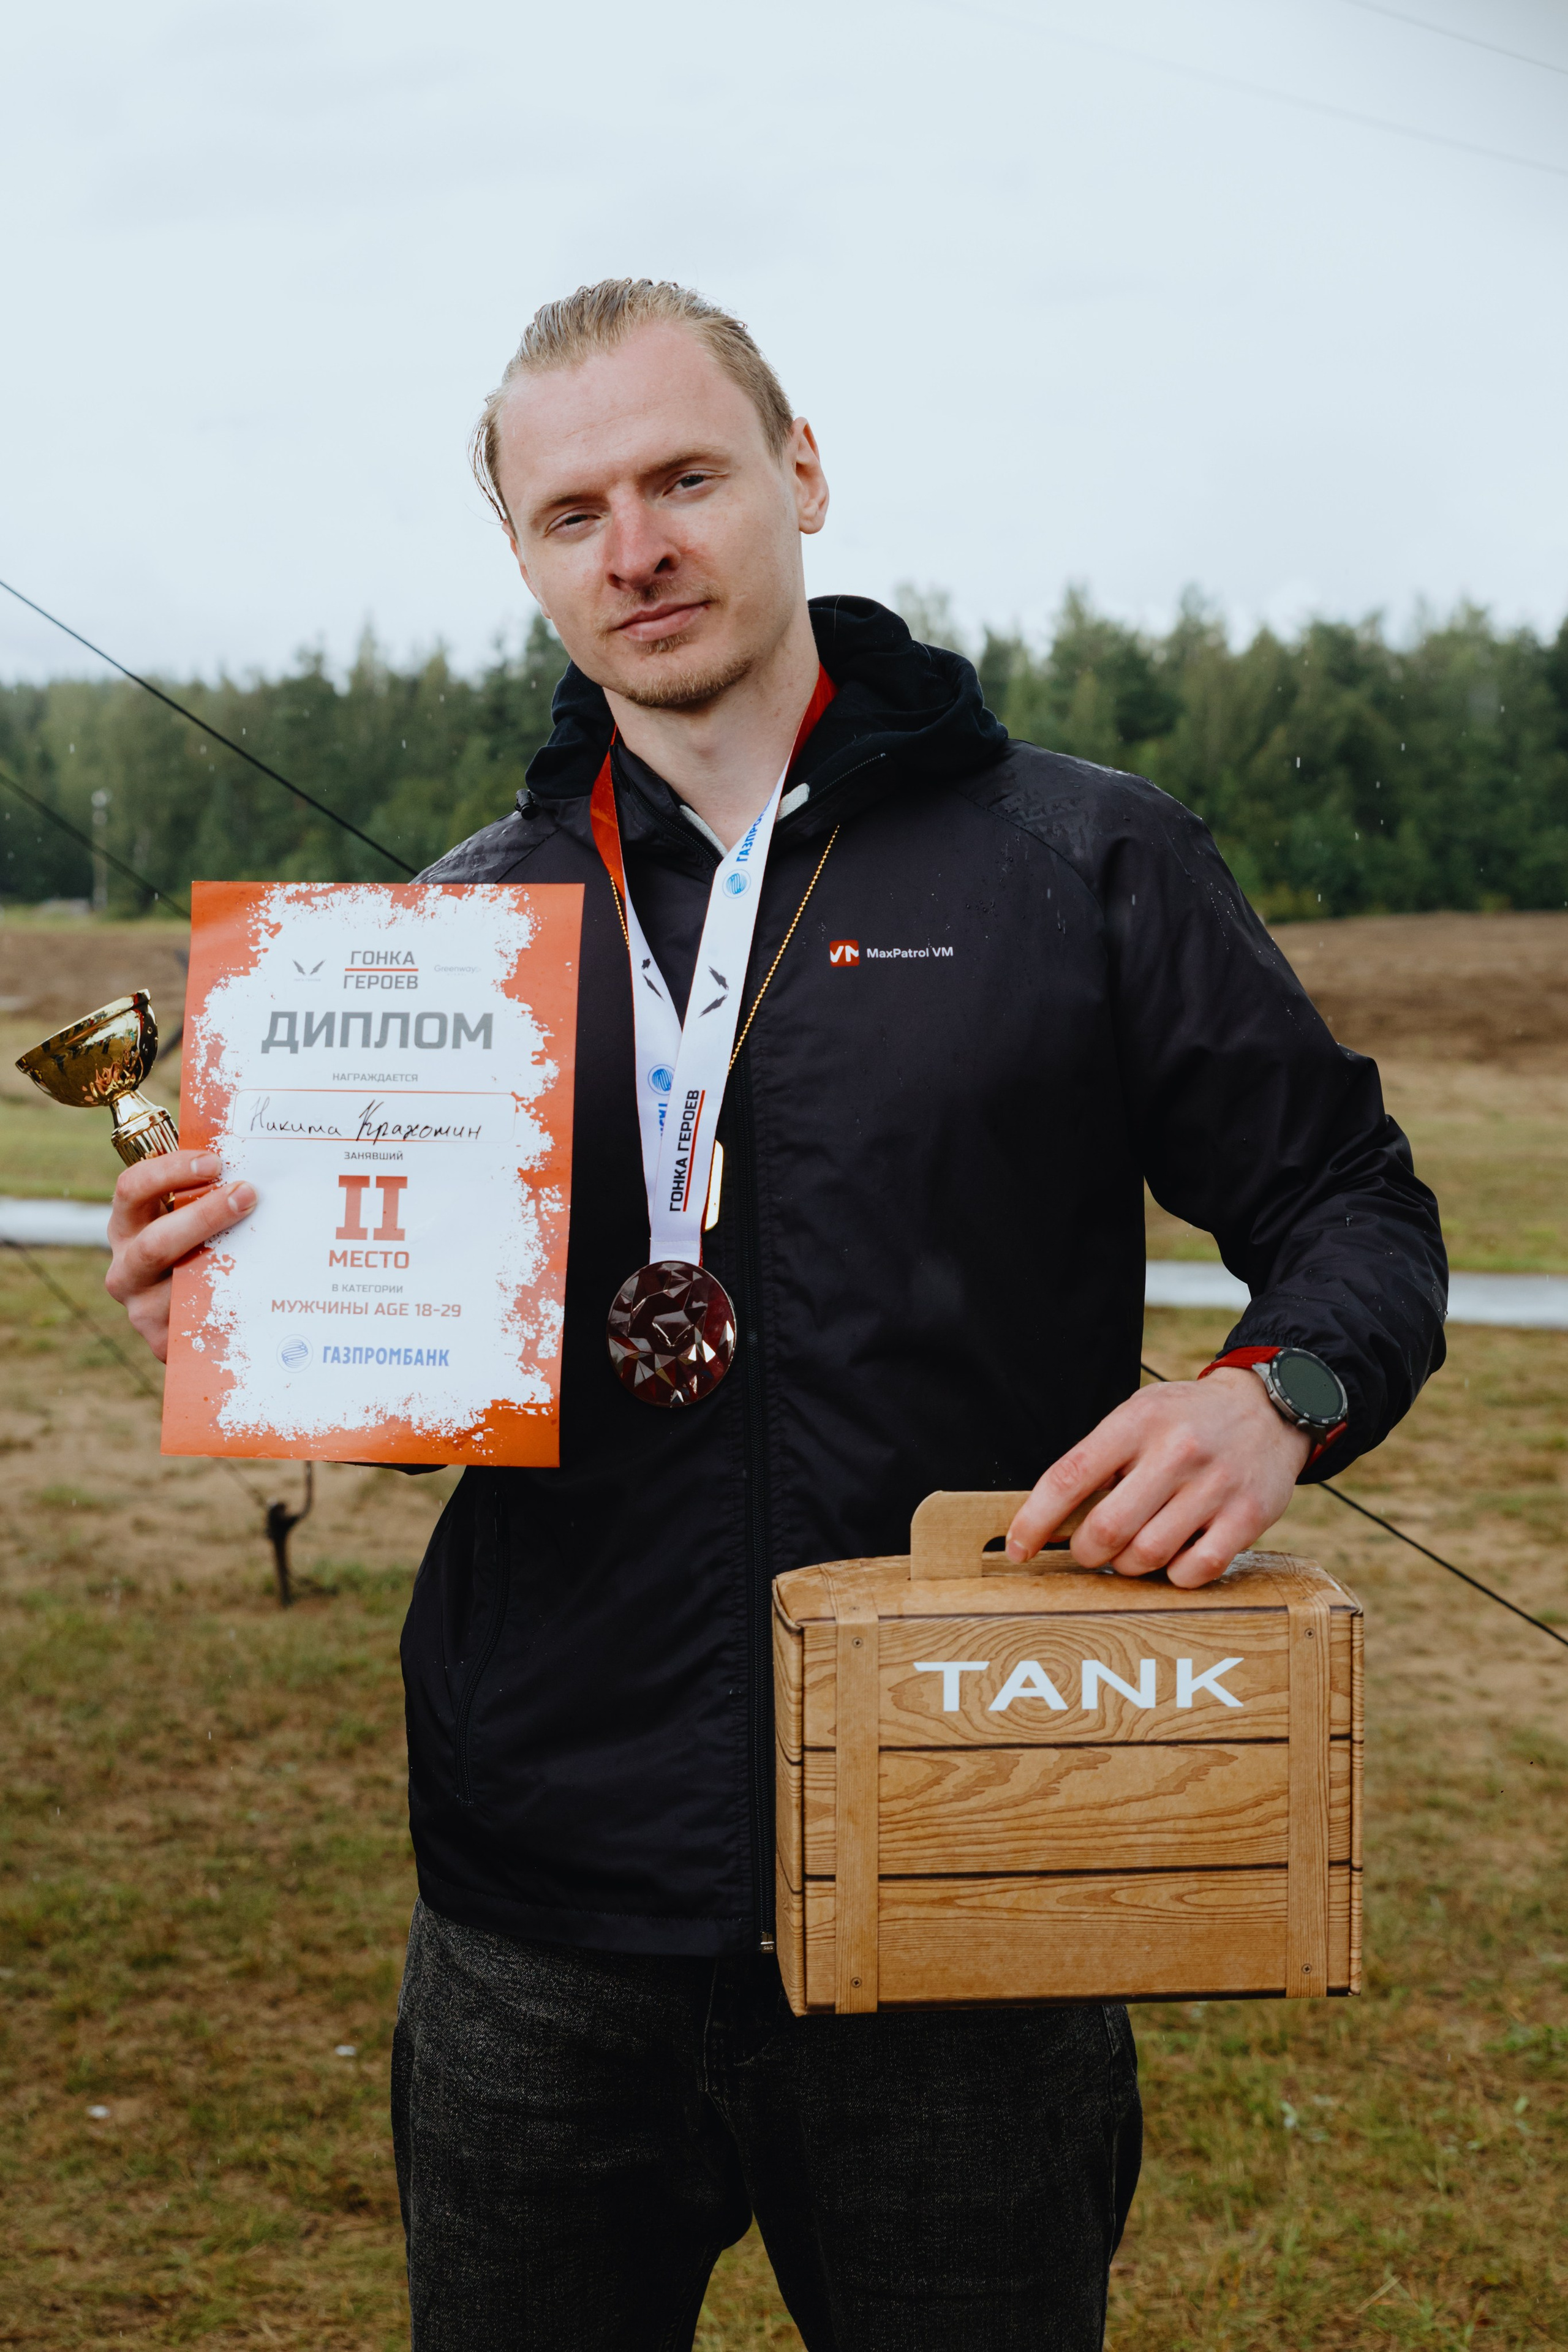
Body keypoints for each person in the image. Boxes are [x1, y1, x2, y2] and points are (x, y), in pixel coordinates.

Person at [104, 277, 1447, 2351]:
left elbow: (1356, 1206)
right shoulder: (446, 940)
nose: (633, 546)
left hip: (965, 1879)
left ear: (801, 476)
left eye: (683, 476)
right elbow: (411, 1409)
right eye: (569, 513)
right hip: (541, 1918)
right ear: (529, 562)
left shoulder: (1080, 858)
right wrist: (246, 1327)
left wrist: (1278, 1394)